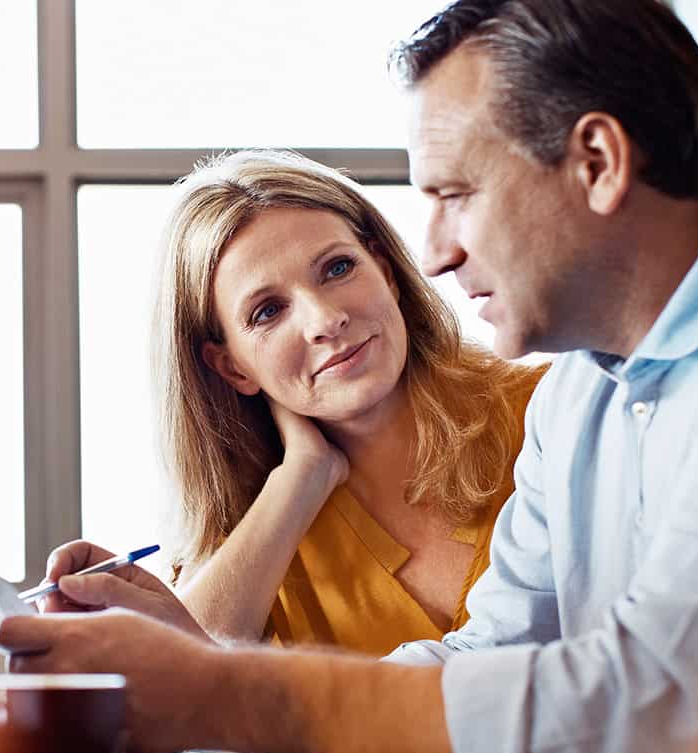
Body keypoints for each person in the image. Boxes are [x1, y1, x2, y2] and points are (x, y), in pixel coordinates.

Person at [0, 0, 698, 753]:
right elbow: (489, 657)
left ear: (596, 161)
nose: (430, 253)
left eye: (453, 195)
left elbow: (657, 707)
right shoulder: (585, 393)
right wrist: (209, 668)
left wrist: (220, 693)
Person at [43, 150, 544, 657]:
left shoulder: (553, 411)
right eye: (267, 312)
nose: (325, 320)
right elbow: (194, 690)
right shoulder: (254, 541)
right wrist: (299, 479)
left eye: (338, 268)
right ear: (231, 367)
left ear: (387, 273)